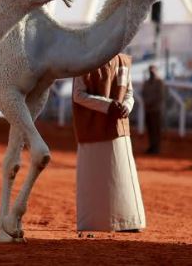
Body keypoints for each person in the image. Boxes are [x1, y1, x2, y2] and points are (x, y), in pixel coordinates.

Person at [72, 53, 146, 233]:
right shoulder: (84, 62)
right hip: (92, 130)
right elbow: (78, 95)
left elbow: (129, 92)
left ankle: (129, 221)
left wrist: (126, 107)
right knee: (96, 179)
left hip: (119, 128)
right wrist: (108, 105)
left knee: (122, 177)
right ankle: (97, 223)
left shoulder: (124, 61)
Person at [141, 65, 167, 154]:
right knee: (150, 129)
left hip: (156, 110)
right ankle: (152, 146)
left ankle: (156, 148)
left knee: (156, 129)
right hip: (148, 110)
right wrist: (146, 103)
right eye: (150, 71)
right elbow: (143, 94)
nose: (151, 72)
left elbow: (160, 96)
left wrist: (150, 103)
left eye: (153, 71)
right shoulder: (146, 83)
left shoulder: (159, 82)